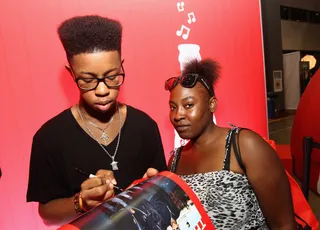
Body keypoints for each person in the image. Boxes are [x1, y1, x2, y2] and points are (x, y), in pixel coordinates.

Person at [26, 15, 167, 226]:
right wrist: (81, 202)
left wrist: (154, 188)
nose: (102, 90)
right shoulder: (49, 138)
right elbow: (46, 214)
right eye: (88, 80)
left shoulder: (145, 126)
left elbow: (164, 195)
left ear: (121, 66)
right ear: (71, 73)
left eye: (112, 77)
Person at [164, 58, 296, 229]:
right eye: (172, 107)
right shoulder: (175, 160)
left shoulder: (244, 146)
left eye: (188, 105)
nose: (177, 115)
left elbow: (284, 225)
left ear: (212, 104)